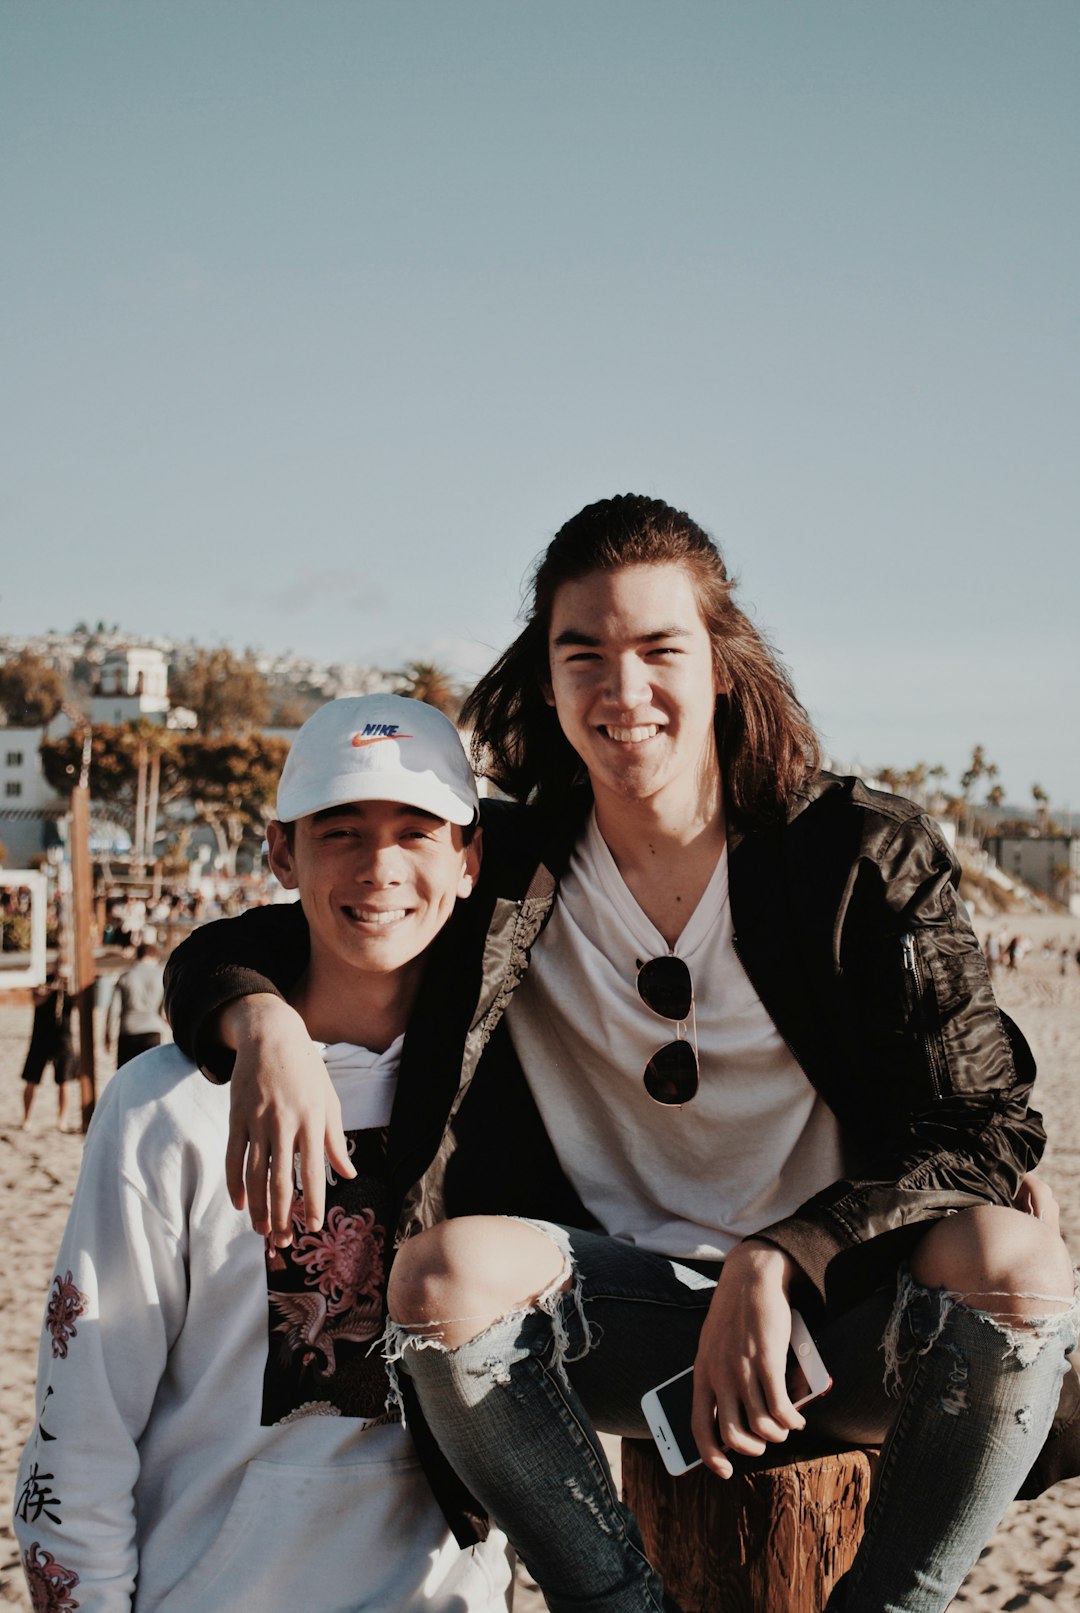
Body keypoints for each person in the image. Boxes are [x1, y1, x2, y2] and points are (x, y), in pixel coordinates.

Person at [164, 496, 1079, 1613]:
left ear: (724, 665)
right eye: (581, 652)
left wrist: (784, 1253)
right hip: (616, 1317)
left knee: (1019, 1260)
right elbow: (270, 932)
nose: (621, 687)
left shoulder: (856, 854)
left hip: (846, 1318)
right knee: (442, 1273)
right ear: (547, 680)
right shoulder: (511, 874)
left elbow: (987, 1125)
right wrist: (258, 1020)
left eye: (658, 648)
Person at [13, 695, 513, 1613]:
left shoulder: (508, 1093)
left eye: (417, 831)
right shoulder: (166, 1104)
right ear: (281, 852)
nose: (381, 867)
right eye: (341, 831)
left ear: (469, 857)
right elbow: (80, 1425)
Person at [19, 971, 76, 1131]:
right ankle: (26, 1118)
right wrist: (52, 989)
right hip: (41, 1038)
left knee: (65, 1081)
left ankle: (62, 1120)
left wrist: (67, 988)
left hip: (63, 1038)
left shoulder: (71, 985)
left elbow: (79, 1003)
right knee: (31, 1080)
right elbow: (36, 1000)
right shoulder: (44, 980)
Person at [105, 940, 168, 1067]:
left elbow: (114, 1010)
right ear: (155, 957)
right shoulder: (162, 975)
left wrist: (107, 1034)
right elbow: (164, 1010)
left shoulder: (125, 977)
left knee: (128, 1077)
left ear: (137, 956)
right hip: (153, 1028)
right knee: (152, 1075)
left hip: (128, 1031)